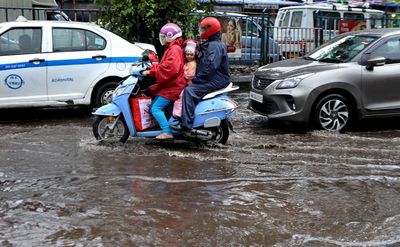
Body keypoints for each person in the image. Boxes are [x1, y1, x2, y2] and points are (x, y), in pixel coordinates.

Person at [172, 17, 230, 131]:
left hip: (216, 79)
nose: (201, 32)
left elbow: (210, 67)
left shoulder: (214, 46)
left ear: (210, 30)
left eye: (203, 29)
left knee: (189, 91)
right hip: (214, 77)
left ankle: (186, 125)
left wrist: (196, 80)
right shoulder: (212, 44)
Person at [141, 23, 186, 141]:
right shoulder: (172, 48)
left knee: (155, 108)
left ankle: (167, 132)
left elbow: (170, 68)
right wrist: (154, 67)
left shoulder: (174, 49)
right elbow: (166, 65)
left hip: (173, 86)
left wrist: (151, 72)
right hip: (172, 84)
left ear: (170, 36)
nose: (162, 38)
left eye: (164, 36)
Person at [172, 39, 198, 118]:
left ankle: (178, 114)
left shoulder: (193, 64)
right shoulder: (187, 62)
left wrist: (182, 73)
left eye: (191, 54)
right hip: (185, 83)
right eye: (187, 54)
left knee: (181, 96)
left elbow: (189, 75)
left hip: (189, 84)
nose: (189, 56)